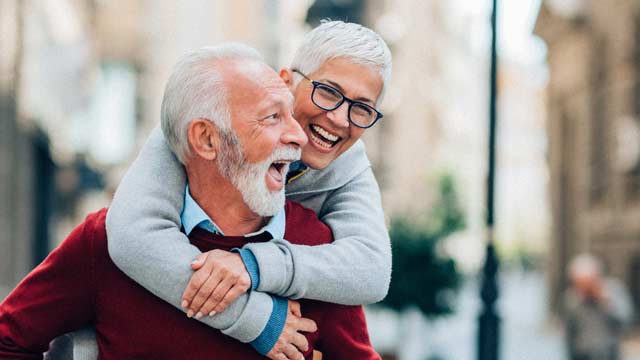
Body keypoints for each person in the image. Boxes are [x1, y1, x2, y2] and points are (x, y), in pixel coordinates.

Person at [0, 44, 380, 360]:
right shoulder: (102, 242)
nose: (298, 135)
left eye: (290, 114)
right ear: (207, 140)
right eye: (272, 117)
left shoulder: (317, 249)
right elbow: (8, 342)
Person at [103, 20, 393, 359]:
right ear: (286, 82)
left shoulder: (348, 169)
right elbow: (131, 235)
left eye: (361, 108)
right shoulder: (212, 121)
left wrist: (253, 265)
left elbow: (371, 271)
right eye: (328, 92)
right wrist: (257, 320)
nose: (341, 119)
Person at [564, 254, 633, 360]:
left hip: (609, 353)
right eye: (580, 283)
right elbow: (569, 331)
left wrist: (604, 302)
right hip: (582, 354)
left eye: (588, 283)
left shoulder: (614, 290)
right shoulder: (571, 297)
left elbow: (625, 322)